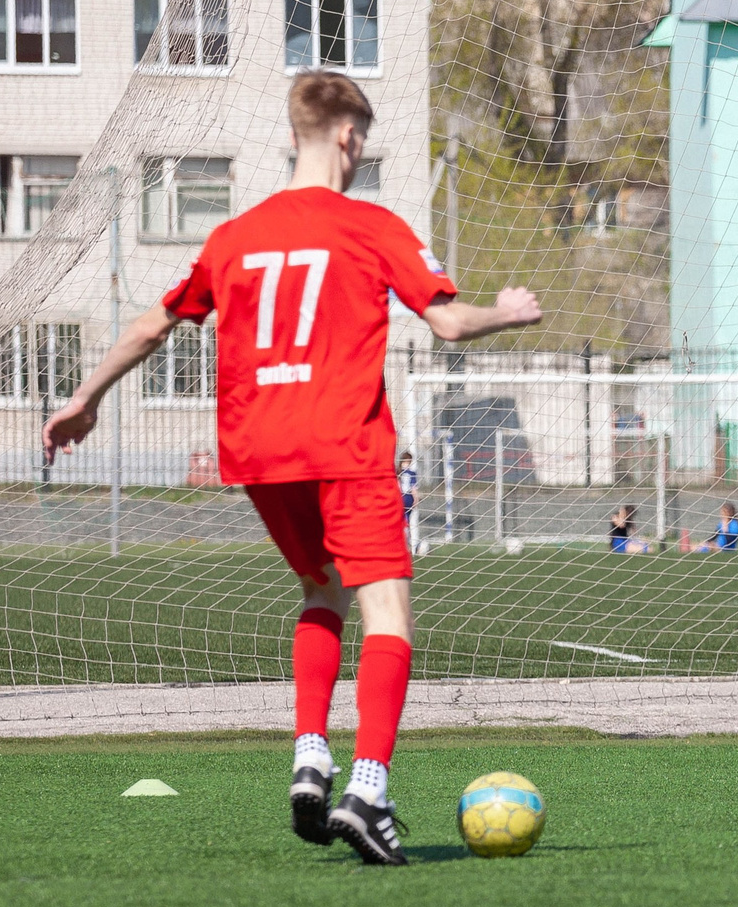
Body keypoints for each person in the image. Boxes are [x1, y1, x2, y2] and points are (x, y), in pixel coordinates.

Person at [44, 71, 541, 864]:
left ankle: (312, 755)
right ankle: (368, 791)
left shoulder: (233, 237)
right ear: (347, 137)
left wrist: (83, 398)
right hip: (344, 444)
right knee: (388, 615)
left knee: (321, 590)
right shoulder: (370, 224)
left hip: (262, 452)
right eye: (364, 142)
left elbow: (151, 324)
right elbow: (445, 323)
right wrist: (507, 313)